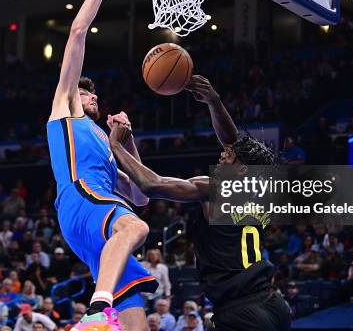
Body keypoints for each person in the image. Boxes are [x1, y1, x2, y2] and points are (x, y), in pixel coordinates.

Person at [109, 75, 291, 331]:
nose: (222, 154)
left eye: (228, 158)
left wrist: (116, 145)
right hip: (273, 305)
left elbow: (152, 185)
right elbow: (233, 143)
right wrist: (214, 102)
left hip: (241, 311)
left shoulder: (214, 189)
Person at [46, 0, 157, 330]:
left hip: (100, 230)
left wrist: (126, 143)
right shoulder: (66, 111)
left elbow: (142, 196)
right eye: (84, 92)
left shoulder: (107, 146)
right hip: (81, 200)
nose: (91, 97)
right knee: (136, 228)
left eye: (93, 94)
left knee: (137, 323)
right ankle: (95, 311)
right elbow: (78, 32)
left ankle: (103, 308)